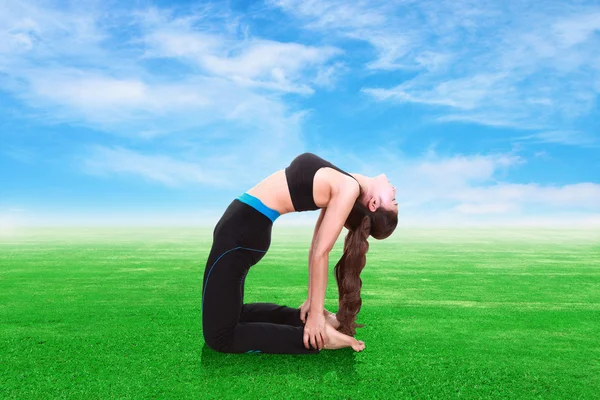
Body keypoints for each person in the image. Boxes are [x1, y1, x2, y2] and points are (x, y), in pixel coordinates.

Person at [202, 152, 398, 354]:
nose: (395, 190)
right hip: (243, 230)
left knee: (220, 337)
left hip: (240, 235)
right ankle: (301, 321)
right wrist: (313, 304)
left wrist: (315, 319)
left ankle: (317, 338)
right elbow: (316, 246)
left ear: (374, 204)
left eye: (394, 200)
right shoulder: (346, 181)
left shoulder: (348, 187)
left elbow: (321, 253)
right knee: (233, 315)